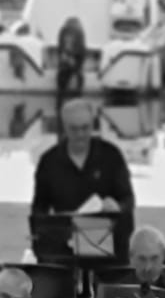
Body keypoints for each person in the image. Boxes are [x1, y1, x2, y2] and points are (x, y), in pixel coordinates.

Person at [31, 98, 135, 261]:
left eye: (85, 128)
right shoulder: (49, 161)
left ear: (93, 125)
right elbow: (39, 208)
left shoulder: (111, 155)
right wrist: (51, 227)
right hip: (65, 244)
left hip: (108, 242)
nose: (80, 135)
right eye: (74, 129)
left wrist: (118, 207)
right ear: (64, 128)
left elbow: (128, 199)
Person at [106, 226, 165, 293]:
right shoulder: (116, 292)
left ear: (164, 255)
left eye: (154, 258)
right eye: (142, 259)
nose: (148, 267)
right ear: (131, 257)